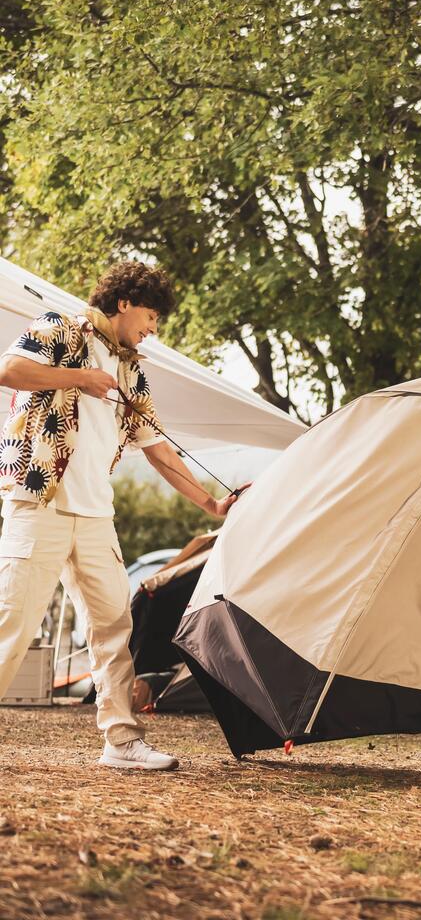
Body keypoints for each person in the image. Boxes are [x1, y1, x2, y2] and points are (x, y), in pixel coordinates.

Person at [0, 261, 246, 771]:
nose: (153, 329)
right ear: (125, 302)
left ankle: (122, 741)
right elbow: (8, 371)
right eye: (152, 316)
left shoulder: (132, 369)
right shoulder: (58, 326)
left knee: (114, 626)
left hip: (95, 517)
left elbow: (159, 450)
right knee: (11, 624)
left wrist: (211, 505)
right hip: (38, 503)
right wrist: (81, 376)